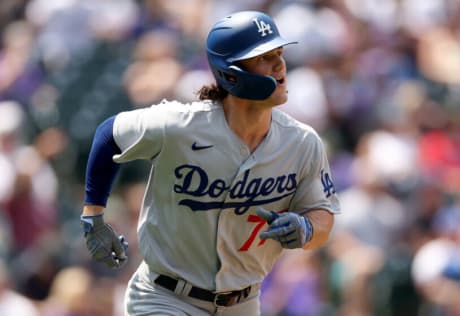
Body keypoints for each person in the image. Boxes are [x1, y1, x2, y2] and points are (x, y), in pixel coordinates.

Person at [80, 10, 340, 316]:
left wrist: (308, 228)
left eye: (279, 52)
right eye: (263, 57)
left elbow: (323, 214)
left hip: (243, 302)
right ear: (231, 74)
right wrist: (93, 217)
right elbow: (108, 134)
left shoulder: (302, 142)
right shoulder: (179, 125)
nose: (279, 64)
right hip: (165, 298)